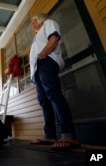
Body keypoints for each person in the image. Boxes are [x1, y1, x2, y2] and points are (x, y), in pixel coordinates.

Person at [29, 13, 80, 150]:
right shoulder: (37, 36)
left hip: (46, 62)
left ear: (40, 20)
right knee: (44, 101)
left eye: (34, 20)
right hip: (38, 68)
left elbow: (54, 38)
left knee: (53, 94)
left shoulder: (49, 23)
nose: (32, 24)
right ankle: (50, 135)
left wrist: (43, 53)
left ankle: (68, 134)